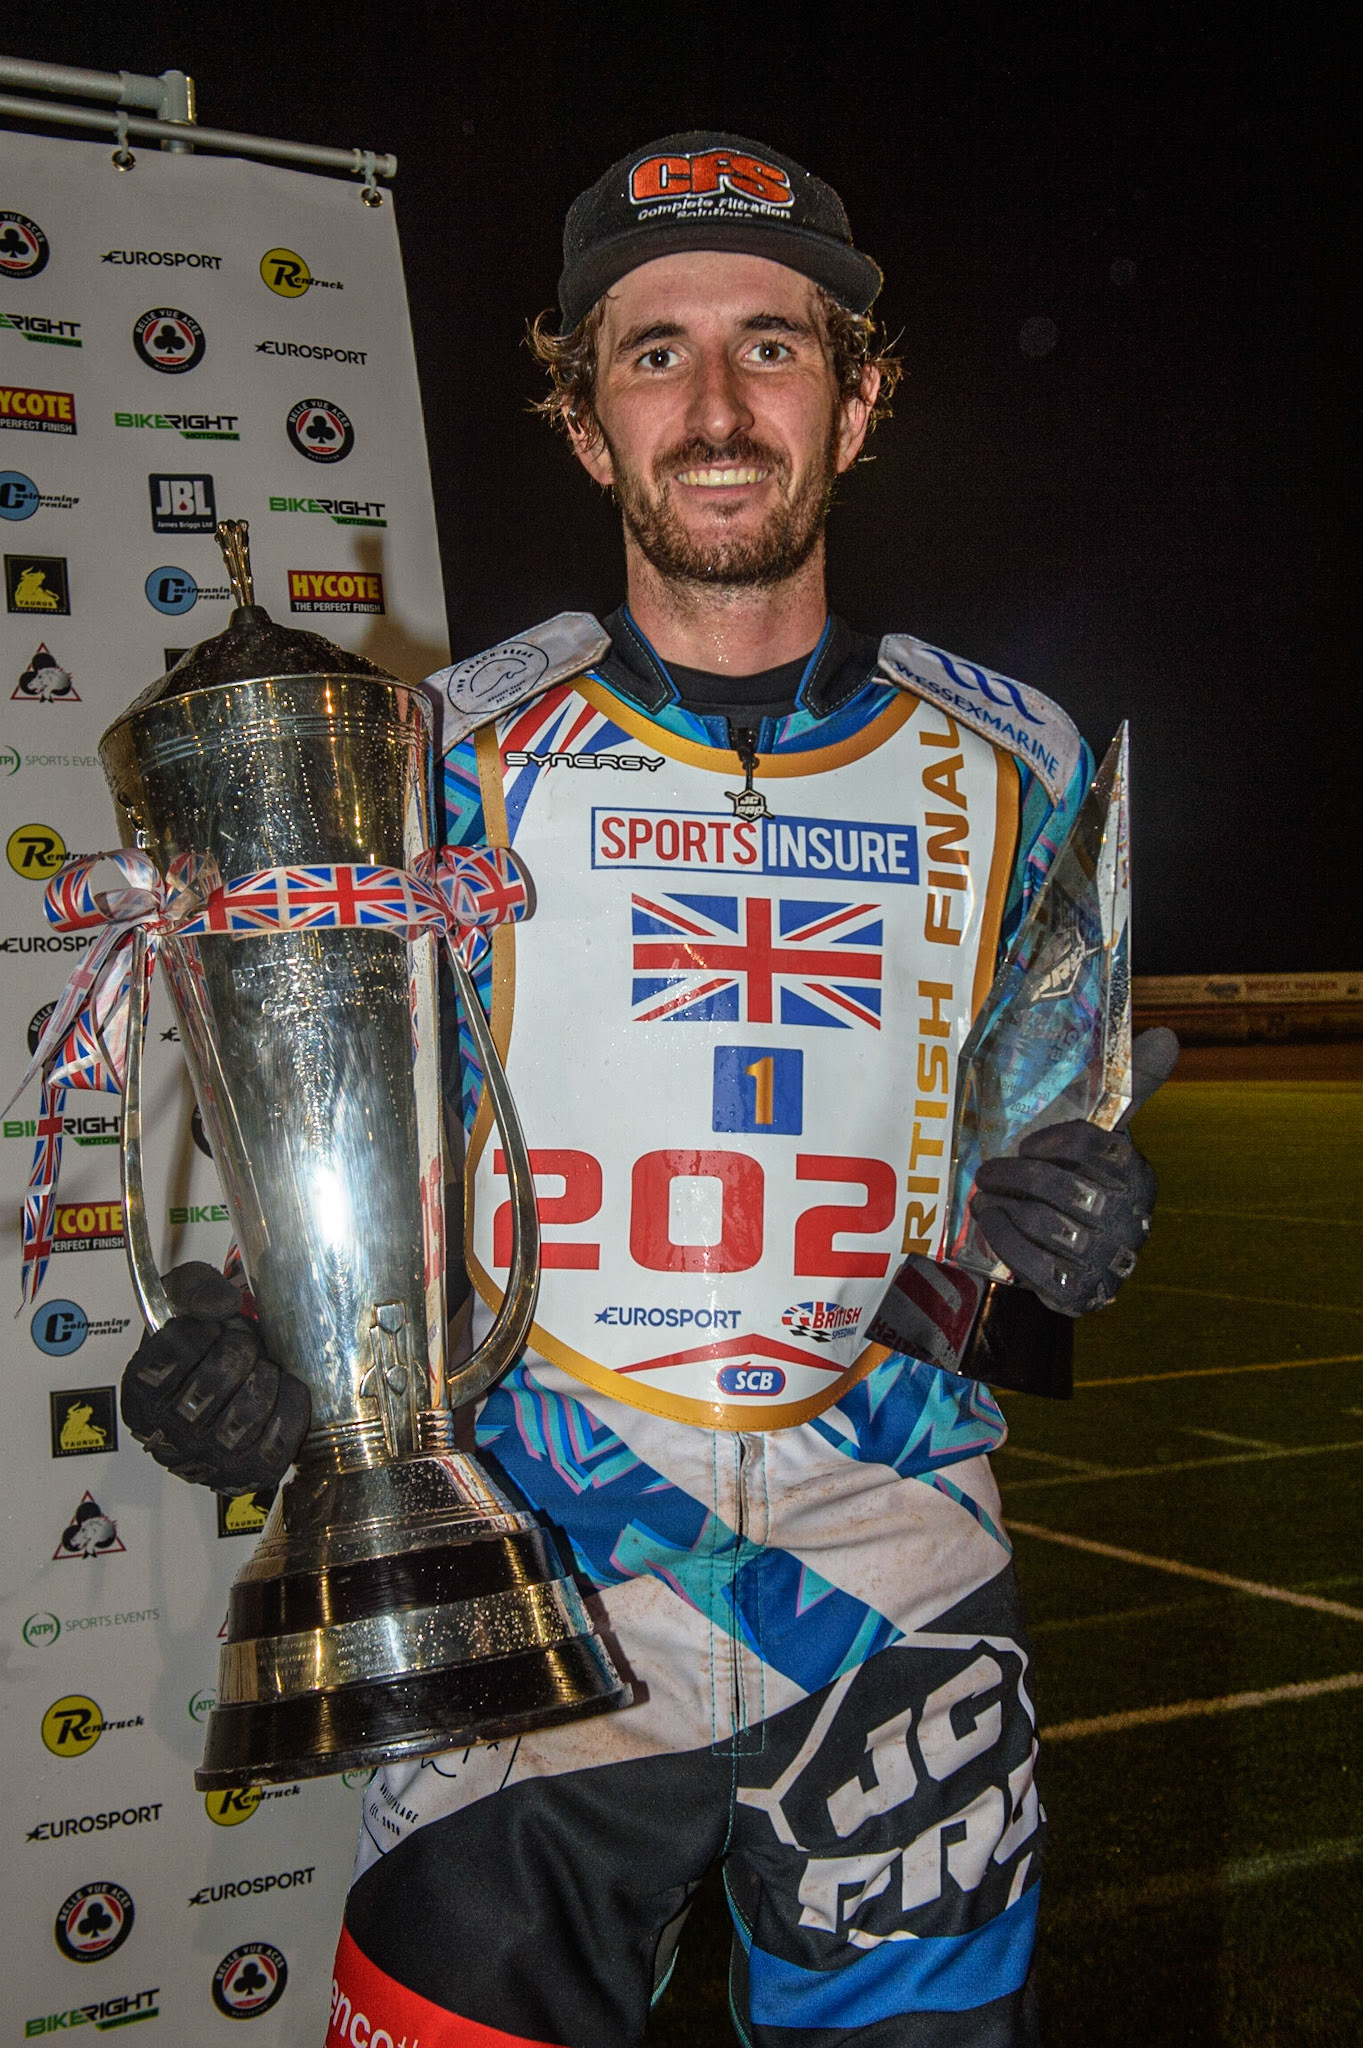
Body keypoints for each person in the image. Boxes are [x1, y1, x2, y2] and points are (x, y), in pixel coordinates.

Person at [124, 133, 1169, 2048]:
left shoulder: (1023, 761)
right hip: (525, 1587)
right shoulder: (428, 758)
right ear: (585, 419)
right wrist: (269, 1348)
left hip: (898, 1604)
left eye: (771, 348)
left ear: (858, 400)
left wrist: (1077, 1229)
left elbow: (1028, 1187)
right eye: (650, 351)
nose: (713, 407)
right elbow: (327, 1142)